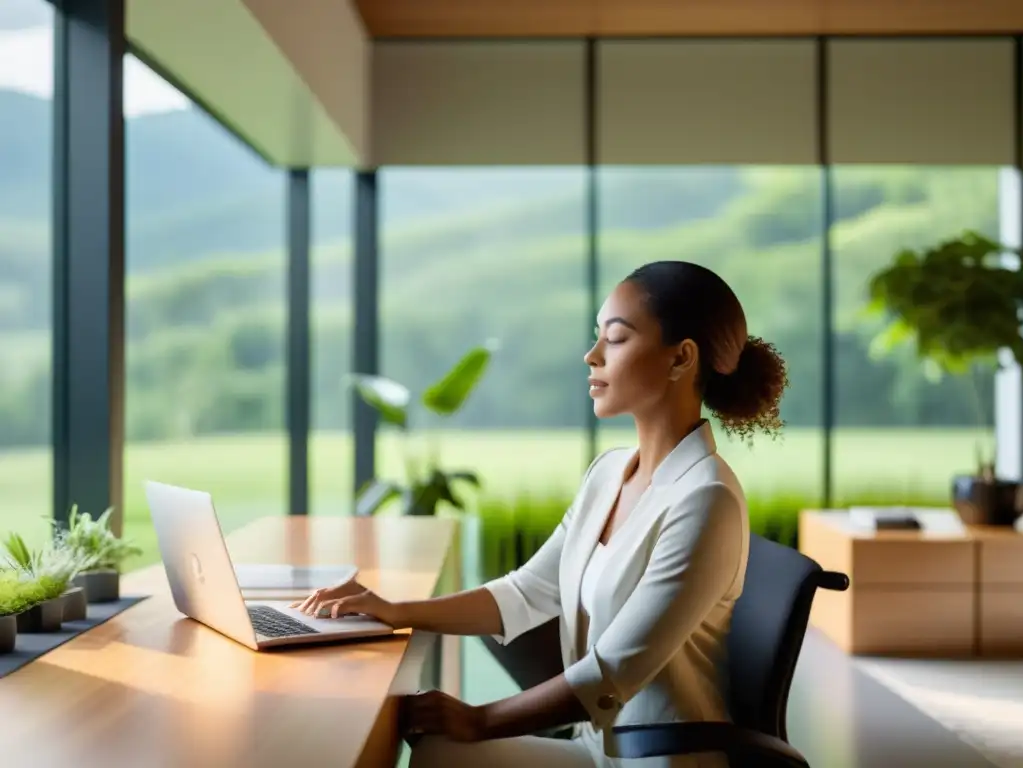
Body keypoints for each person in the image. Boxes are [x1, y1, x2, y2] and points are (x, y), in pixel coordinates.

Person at [292, 261, 789, 767]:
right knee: (438, 751)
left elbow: (612, 671)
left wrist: (479, 720)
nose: (591, 355)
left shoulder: (707, 499)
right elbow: (528, 591)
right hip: (595, 747)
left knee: (442, 755)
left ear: (681, 358)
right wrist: (396, 610)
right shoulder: (608, 474)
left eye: (615, 340)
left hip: (654, 758)